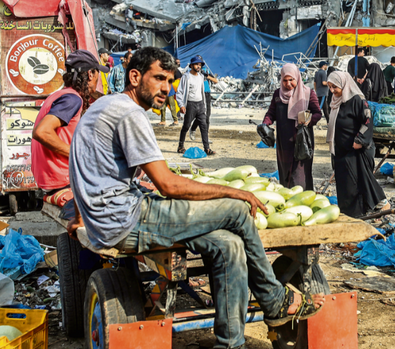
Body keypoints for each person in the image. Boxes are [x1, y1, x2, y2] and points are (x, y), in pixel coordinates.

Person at [66, 47, 325, 349]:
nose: (166, 88)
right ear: (134, 77)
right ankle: (275, 300)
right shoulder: (129, 113)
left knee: (228, 245)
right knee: (238, 211)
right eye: (159, 79)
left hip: (112, 215)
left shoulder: (107, 105)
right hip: (127, 219)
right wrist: (233, 192)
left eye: (170, 80)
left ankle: (231, 344)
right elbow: (168, 185)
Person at [31, 49, 108, 199]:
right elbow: (42, 132)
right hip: (61, 178)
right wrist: (76, 153)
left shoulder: (59, 94)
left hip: (48, 177)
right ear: (91, 74)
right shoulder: (73, 99)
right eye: (98, 74)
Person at [326, 71, 388, 216]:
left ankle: (358, 213)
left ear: (343, 84)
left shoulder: (357, 100)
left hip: (355, 151)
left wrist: (360, 140)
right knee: (344, 184)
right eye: (329, 87)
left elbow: (367, 121)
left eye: (335, 87)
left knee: (354, 183)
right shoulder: (337, 101)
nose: (332, 91)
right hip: (341, 151)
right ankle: (348, 213)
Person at [261, 64, 322, 191]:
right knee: (285, 172)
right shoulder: (278, 94)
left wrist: (308, 120)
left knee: (300, 175)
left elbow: (317, 113)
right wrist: (265, 124)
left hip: (302, 141)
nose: (288, 84)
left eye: (291, 80)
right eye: (285, 80)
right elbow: (271, 113)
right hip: (284, 142)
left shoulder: (308, 93)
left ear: (297, 78)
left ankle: (303, 201)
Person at [177, 56, 215, 156]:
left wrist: (204, 105)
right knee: (186, 126)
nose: (198, 66)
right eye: (196, 64)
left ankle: (207, 149)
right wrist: (181, 105)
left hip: (201, 104)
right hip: (190, 104)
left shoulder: (201, 77)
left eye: (200, 65)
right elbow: (179, 92)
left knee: (204, 126)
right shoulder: (186, 77)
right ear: (191, 65)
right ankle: (180, 146)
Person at [189, 66, 219, 142]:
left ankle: (206, 137)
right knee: (199, 114)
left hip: (207, 93)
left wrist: (207, 76)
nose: (198, 66)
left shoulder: (206, 70)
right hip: (198, 93)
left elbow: (216, 81)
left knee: (207, 116)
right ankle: (193, 128)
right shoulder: (192, 71)